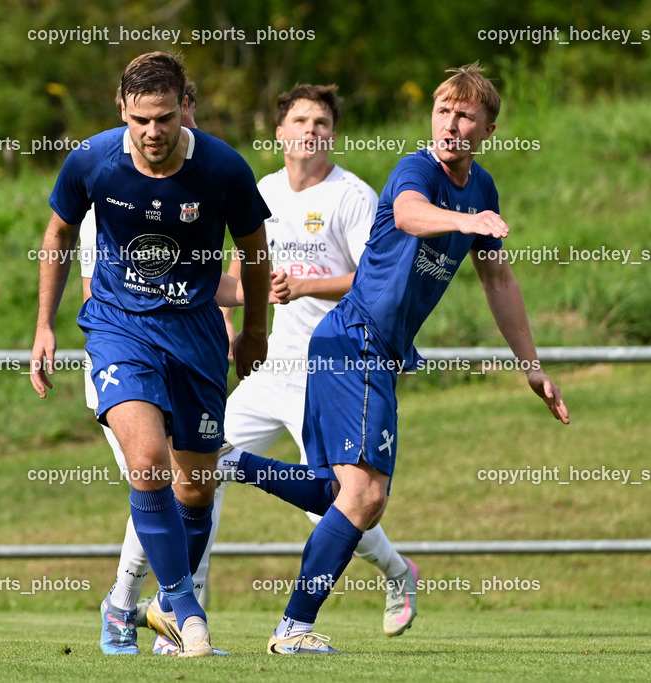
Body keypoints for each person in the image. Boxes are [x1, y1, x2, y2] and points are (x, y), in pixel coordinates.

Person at [218, 63, 571, 654]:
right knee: (367, 498)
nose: (451, 125)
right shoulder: (416, 170)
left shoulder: (482, 190)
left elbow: (498, 279)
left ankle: (229, 460)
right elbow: (409, 214)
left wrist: (531, 365)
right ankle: (293, 629)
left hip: (358, 349)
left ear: (487, 130)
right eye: (443, 112)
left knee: (337, 496)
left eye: (465, 116)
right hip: (355, 341)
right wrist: (466, 221)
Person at [30, 51, 271, 658]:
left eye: (164, 118)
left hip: (194, 335)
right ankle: (187, 612)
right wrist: (44, 328)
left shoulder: (223, 169)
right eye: (140, 120)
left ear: (184, 109)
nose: (152, 133)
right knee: (146, 465)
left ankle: (139, 606)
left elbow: (256, 255)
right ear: (122, 110)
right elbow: (58, 234)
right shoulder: (92, 160)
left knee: (197, 491)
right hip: (118, 329)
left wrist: (256, 333)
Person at [213, 84, 421, 643]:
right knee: (203, 463)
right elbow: (245, 262)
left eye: (323, 122)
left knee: (334, 503)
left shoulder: (353, 197)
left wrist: (305, 286)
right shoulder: (262, 189)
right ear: (279, 132)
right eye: (301, 120)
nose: (312, 129)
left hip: (331, 369)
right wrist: (235, 329)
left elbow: (371, 280)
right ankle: (182, 612)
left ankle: (397, 572)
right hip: (269, 365)